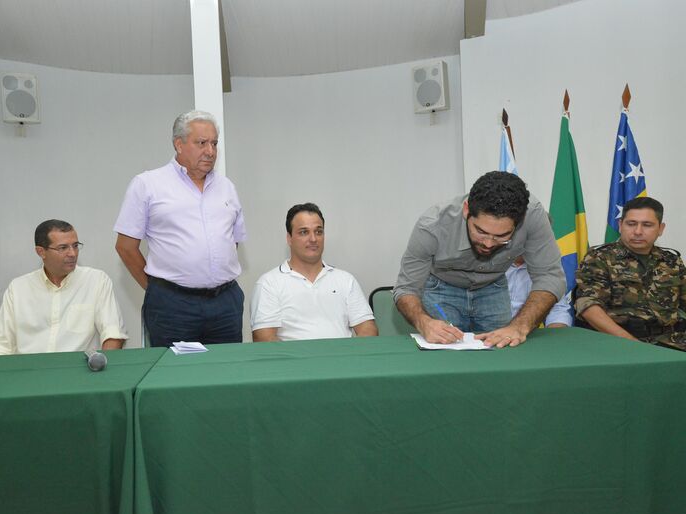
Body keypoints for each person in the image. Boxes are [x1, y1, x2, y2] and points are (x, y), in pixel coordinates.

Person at [114, 110, 246, 347]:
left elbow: (231, 241)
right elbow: (125, 247)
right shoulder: (148, 184)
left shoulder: (226, 187)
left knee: (226, 367)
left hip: (225, 303)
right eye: (202, 143)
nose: (210, 151)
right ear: (179, 144)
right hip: (173, 306)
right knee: (174, 369)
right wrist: (158, 290)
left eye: (214, 143)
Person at [394, 171, 566, 348]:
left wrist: (519, 326)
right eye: (481, 231)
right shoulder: (432, 226)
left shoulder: (533, 216)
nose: (488, 243)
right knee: (444, 354)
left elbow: (550, 276)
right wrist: (424, 322)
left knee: (504, 349)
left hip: (493, 286)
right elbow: (406, 288)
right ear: (466, 210)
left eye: (502, 236)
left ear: (520, 221)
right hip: (441, 288)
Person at [0, 220, 127, 355]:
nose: (72, 253)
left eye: (75, 246)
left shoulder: (96, 281)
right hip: (29, 369)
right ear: (41, 252)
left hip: (79, 369)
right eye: (63, 248)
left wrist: (102, 366)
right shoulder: (18, 288)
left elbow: (113, 334)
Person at [251, 203, 378, 341]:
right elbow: (264, 338)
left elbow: (368, 329)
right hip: (292, 355)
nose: (313, 239)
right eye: (304, 232)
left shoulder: (345, 280)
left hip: (342, 354)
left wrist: (348, 353)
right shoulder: (269, 283)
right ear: (289, 238)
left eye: (318, 232)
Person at [575, 197, 686, 350]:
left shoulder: (671, 260)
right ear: (620, 225)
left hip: (671, 342)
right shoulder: (600, 258)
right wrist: (633, 344)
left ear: (660, 229)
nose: (638, 231)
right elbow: (589, 308)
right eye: (631, 224)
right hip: (618, 342)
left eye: (647, 225)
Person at [507, 256, 571, 327]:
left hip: (527, 330)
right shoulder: (496, 262)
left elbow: (557, 310)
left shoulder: (548, 266)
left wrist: (555, 331)